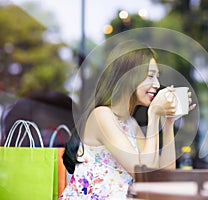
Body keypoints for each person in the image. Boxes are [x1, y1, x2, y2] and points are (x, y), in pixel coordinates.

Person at [60, 41, 196, 199]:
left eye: (157, 77)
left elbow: (161, 178)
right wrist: (153, 114)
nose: (157, 85)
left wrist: (168, 123)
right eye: (150, 76)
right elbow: (142, 176)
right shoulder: (102, 116)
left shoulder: (131, 124)